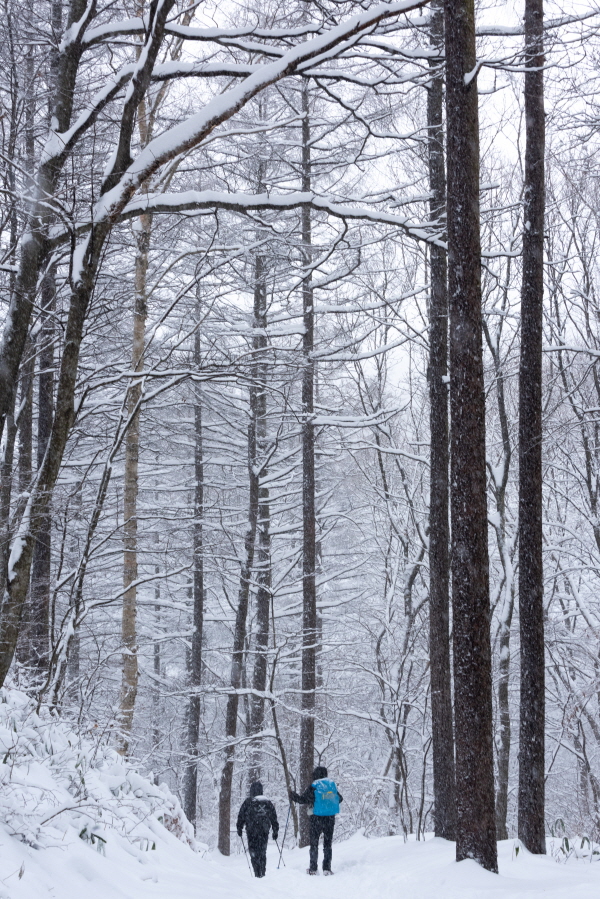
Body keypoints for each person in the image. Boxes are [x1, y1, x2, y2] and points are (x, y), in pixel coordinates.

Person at [289, 765, 343, 875]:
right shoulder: (331, 785)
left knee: (314, 844)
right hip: (330, 818)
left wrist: (293, 796)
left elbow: (302, 799)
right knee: (327, 844)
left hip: (316, 818)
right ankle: (327, 869)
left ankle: (313, 869)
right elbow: (340, 799)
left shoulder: (314, 786)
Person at [236, 781, 279, 878]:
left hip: (251, 831)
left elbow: (241, 816)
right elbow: (274, 818)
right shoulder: (267, 802)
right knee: (262, 852)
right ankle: (262, 873)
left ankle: (257, 873)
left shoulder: (248, 802)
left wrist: (239, 827)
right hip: (264, 831)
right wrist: (275, 830)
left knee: (253, 852)